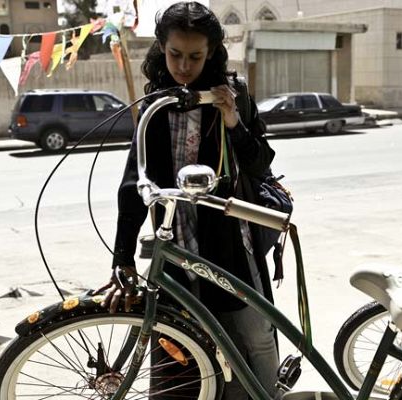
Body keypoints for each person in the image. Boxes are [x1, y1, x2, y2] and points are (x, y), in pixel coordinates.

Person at [95, 2, 279, 400]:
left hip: (231, 241)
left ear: (211, 52)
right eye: (175, 54)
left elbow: (260, 164)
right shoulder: (156, 104)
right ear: (161, 47)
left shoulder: (232, 95)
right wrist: (122, 258)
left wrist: (233, 120)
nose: (183, 65)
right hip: (176, 243)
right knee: (180, 347)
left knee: (253, 337)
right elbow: (134, 186)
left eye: (195, 56)